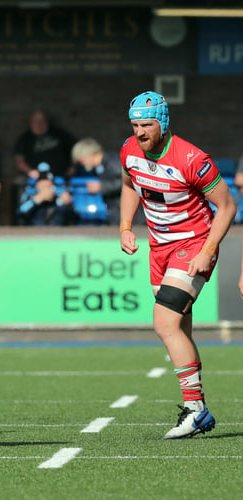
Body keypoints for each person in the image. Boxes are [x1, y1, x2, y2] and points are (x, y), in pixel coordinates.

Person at [120, 91, 236, 439]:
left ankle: (196, 411)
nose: (140, 133)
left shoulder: (192, 158)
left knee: (164, 322)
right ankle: (197, 408)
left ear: (164, 123)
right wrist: (125, 227)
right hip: (159, 249)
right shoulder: (129, 149)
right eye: (135, 125)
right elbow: (130, 186)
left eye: (147, 125)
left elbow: (227, 207)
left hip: (194, 244)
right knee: (179, 330)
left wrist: (208, 249)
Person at [71, 138, 124, 225]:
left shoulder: (112, 162)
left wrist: (101, 187)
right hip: (116, 213)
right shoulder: (100, 167)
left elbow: (127, 181)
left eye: (82, 160)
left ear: (90, 155)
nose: (82, 164)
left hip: (128, 215)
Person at [14, 109, 77, 179]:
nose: (39, 123)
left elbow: (76, 150)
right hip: (37, 180)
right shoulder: (25, 139)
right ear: (31, 122)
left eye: (42, 120)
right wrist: (30, 171)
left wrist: (72, 167)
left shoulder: (59, 134)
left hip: (60, 178)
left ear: (47, 122)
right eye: (36, 121)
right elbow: (19, 161)